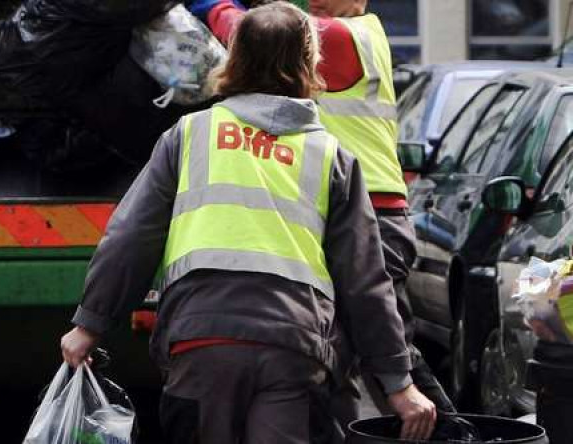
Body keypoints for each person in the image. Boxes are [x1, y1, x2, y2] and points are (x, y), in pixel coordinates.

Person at [59, 3, 435, 442]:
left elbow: (131, 236)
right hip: (294, 349)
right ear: (310, 64)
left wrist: (90, 325)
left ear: (232, 59)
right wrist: (398, 382)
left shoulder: (189, 136)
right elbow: (364, 280)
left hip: (200, 341)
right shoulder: (333, 157)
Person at [189, 0, 456, 419]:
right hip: (350, 210)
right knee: (350, 357)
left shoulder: (345, 36)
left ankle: (454, 432)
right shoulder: (353, 33)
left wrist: (212, 4)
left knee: (388, 356)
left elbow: (254, 32)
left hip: (371, 217)